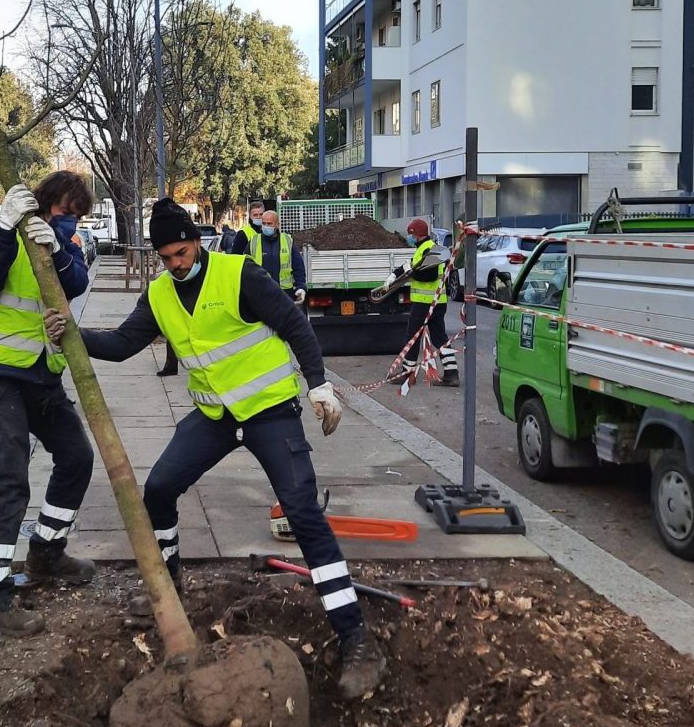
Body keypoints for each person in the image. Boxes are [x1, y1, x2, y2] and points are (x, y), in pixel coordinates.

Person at [48, 198, 386, 700]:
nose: (174, 264)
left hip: (270, 414)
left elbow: (295, 325)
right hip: (215, 419)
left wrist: (319, 385)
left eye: (180, 253)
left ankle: (355, 637)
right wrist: (74, 336)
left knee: (303, 514)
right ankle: (171, 586)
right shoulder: (161, 294)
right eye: (165, 257)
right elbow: (123, 343)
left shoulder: (238, 274)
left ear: (197, 243)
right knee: (158, 489)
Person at [0, 172, 96, 637]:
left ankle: (46, 554)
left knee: (77, 457)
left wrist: (59, 248)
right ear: (43, 204)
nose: (69, 221)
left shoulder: (64, 245)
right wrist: (3, 227)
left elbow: (76, 283)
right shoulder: (4, 237)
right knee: (9, 479)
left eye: (76, 216)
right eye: (64, 212)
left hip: (42, 373)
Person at [394, 218, 458, 387]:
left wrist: (410, 273)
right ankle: (452, 373)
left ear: (417, 234)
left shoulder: (427, 249)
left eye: (410, 234)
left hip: (425, 303)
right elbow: (415, 267)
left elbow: (426, 275)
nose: (409, 236)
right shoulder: (428, 248)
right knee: (440, 338)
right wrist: (398, 273)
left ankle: (408, 375)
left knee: (412, 337)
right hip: (437, 302)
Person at [251, 209, 307, 306]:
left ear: (277, 225)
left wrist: (301, 286)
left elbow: (298, 266)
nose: (266, 226)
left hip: (284, 293)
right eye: (264, 223)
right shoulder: (254, 242)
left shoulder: (287, 241)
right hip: (261, 293)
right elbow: (245, 268)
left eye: (269, 224)